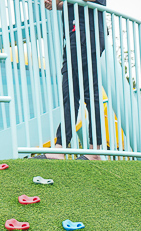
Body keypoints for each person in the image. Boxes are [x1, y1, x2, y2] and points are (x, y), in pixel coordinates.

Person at [41, 0, 107, 160]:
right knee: (69, 95)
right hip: (72, 40)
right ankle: (60, 147)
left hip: (87, 38)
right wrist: (55, 4)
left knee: (91, 95)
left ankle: (95, 150)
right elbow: (66, 3)